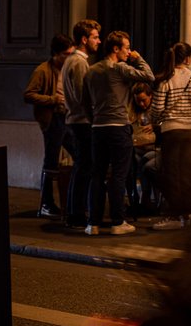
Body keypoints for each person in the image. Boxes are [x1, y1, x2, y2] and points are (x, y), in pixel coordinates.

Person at [83, 30, 154, 235]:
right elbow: (148, 76)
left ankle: (93, 223)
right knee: (118, 175)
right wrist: (138, 59)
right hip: (118, 128)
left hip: (98, 129)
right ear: (116, 49)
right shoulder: (120, 68)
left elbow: (85, 102)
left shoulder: (91, 71)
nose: (129, 51)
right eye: (127, 47)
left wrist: (93, 120)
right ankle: (117, 222)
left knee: (97, 175)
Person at [150, 42, 191, 230]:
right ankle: (187, 213)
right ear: (189, 58)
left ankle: (175, 215)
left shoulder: (166, 79)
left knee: (172, 174)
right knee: (189, 173)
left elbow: (157, 109)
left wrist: (160, 119)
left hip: (171, 131)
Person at [23, 34, 75, 218]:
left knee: (80, 155)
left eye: (71, 53)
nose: (68, 57)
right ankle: (46, 204)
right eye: (65, 54)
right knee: (51, 162)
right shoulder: (43, 71)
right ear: (55, 54)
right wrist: (52, 99)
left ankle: (71, 201)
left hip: (68, 118)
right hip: (53, 119)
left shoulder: (68, 68)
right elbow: (28, 94)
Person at [62, 19, 101, 229]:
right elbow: (81, 96)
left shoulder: (73, 60)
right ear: (84, 39)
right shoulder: (78, 62)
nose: (99, 41)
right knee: (84, 167)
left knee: (81, 166)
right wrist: (93, 119)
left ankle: (74, 211)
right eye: (95, 37)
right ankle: (76, 213)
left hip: (77, 120)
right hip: (81, 121)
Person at [129, 82, 160, 215]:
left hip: (155, 149)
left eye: (143, 100)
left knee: (144, 163)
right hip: (139, 149)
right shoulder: (133, 112)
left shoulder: (156, 111)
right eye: (138, 101)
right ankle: (136, 200)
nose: (141, 104)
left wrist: (155, 126)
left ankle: (144, 200)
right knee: (132, 160)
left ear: (151, 96)